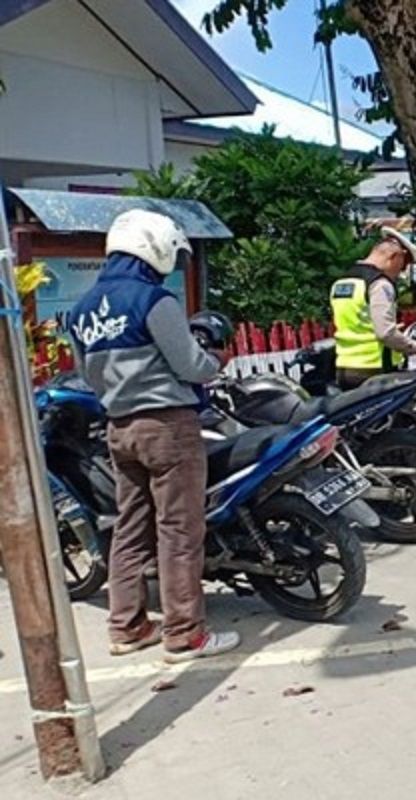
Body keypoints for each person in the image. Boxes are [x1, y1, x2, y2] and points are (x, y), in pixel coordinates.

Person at [67, 210, 239, 662]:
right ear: (153, 247)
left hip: (119, 429)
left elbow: (88, 375)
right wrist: (215, 361)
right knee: (179, 531)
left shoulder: (81, 311)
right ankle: (185, 634)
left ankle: (127, 627)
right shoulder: (152, 300)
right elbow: (189, 364)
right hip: (168, 427)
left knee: (129, 528)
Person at [331, 228, 416, 389]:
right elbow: (385, 333)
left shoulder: (342, 282)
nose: (402, 271)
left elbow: (356, 323)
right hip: (375, 368)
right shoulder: (379, 284)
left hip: (345, 367)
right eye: (404, 263)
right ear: (395, 257)